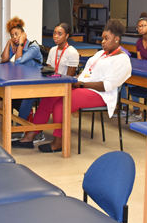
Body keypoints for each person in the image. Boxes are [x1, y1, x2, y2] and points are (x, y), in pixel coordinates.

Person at [12, 19, 132, 153]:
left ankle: (59, 142)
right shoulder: (100, 54)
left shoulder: (122, 59)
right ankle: (29, 137)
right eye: (102, 38)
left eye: (106, 38)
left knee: (62, 103)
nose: (102, 41)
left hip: (101, 94)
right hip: (82, 86)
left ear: (116, 39)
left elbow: (108, 85)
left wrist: (81, 84)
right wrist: (76, 82)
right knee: (48, 99)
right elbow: (87, 72)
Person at [0, 17, 44, 142]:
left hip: (38, 83)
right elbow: (4, 59)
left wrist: (19, 44)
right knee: (8, 95)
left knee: (27, 97)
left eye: (17, 34)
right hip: (25, 82)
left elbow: (18, 62)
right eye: (12, 35)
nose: (14, 37)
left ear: (23, 34)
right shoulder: (16, 45)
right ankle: (29, 119)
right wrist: (9, 43)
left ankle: (19, 129)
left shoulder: (33, 47)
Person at [117, 12, 147, 122]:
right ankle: (125, 108)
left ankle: (137, 112)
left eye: (143, 25)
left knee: (132, 84)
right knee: (120, 81)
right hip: (143, 71)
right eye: (139, 27)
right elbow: (139, 61)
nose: (140, 28)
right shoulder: (139, 42)